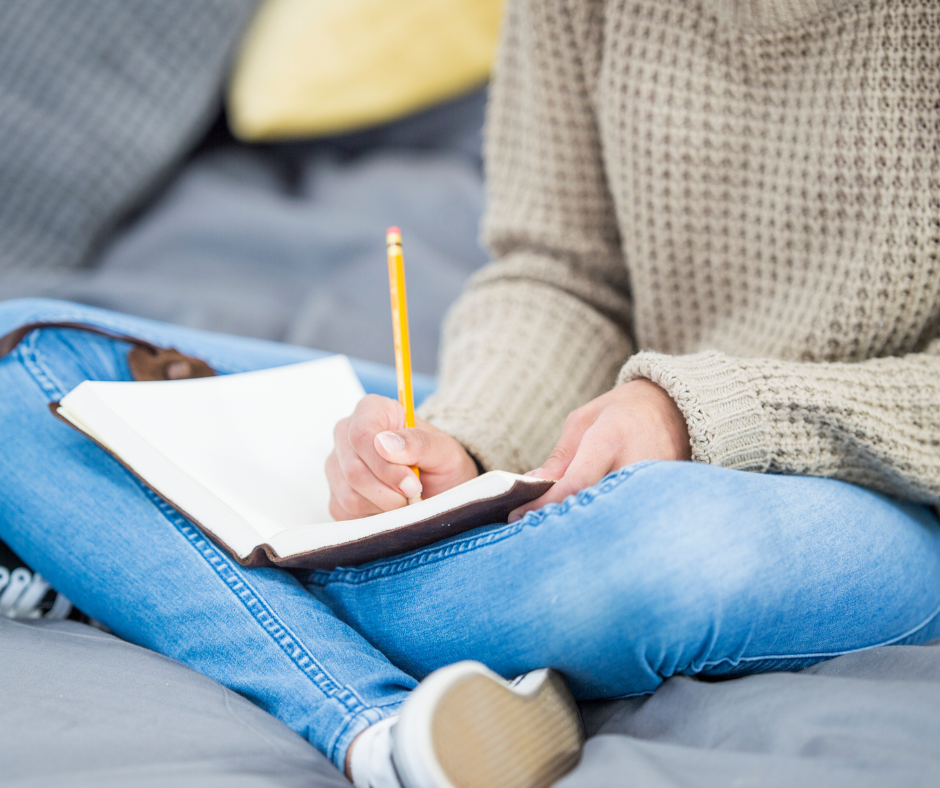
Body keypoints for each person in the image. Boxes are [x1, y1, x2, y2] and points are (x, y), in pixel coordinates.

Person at [2, 1, 939, 787]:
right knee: (29, 365)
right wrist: (465, 441)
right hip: (614, 440)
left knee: (662, 548)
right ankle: (386, 734)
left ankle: (136, 567)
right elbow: (558, 274)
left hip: (885, 488)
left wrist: (701, 413)